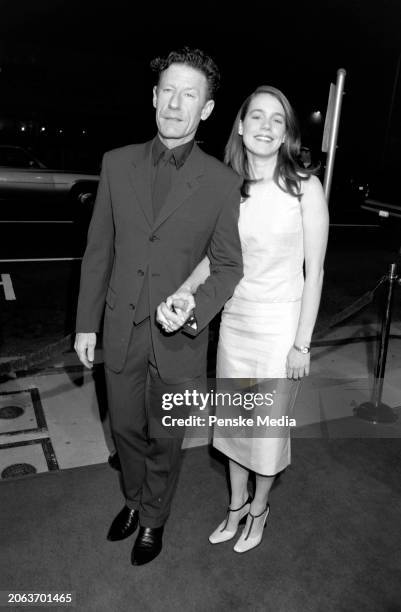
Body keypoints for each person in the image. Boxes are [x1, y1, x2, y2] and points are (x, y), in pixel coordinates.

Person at [74, 47, 243, 566]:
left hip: (178, 338)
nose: (175, 103)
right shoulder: (116, 163)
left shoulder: (221, 182)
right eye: (167, 91)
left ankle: (153, 518)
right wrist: (86, 325)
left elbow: (228, 265)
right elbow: (99, 249)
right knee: (124, 430)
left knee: (165, 440)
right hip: (120, 328)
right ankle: (131, 498)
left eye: (189, 95)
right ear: (153, 97)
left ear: (206, 109)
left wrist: (194, 309)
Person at [160, 85, 329, 554]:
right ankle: (235, 508)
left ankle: (259, 509)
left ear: (287, 133)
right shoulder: (226, 188)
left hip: (280, 329)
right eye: (257, 116)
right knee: (233, 427)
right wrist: (185, 289)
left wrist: (302, 345)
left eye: (278, 120)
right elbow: (215, 259)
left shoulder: (304, 187)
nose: (266, 126)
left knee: (266, 433)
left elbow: (314, 272)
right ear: (239, 125)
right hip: (235, 323)